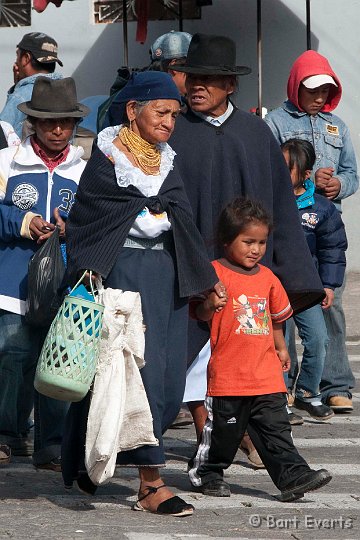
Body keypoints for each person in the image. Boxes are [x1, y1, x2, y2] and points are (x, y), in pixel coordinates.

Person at [61, 71, 220, 517]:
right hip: (121, 277)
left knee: (167, 379)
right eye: (162, 111)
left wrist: (203, 278)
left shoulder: (167, 161)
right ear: (133, 111)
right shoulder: (106, 159)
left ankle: (90, 462)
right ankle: (152, 484)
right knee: (129, 377)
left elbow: (181, 217)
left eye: (175, 114)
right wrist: (148, 218)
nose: (170, 121)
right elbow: (94, 220)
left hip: (165, 280)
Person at [169, 34, 325, 464]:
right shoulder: (174, 130)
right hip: (190, 269)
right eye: (193, 77)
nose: (198, 86)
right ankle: (211, 445)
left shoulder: (255, 134)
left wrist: (293, 275)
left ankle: (247, 439)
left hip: (248, 278)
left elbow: (280, 208)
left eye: (210, 79)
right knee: (197, 363)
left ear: (230, 85)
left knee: (248, 361)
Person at [188, 196, 332, 501]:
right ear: (227, 241)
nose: (256, 250)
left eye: (262, 243)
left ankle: (293, 475)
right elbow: (198, 314)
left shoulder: (268, 278)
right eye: (248, 241)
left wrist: (282, 349)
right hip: (228, 376)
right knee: (224, 436)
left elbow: (275, 319)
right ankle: (207, 472)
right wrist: (211, 304)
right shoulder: (213, 274)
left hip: (264, 372)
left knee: (276, 429)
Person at [0, 77, 89, 467]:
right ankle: (8, 435)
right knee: (13, 360)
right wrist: (25, 221)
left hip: (63, 287)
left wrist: (71, 227)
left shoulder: (83, 172)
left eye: (66, 123)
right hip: (11, 284)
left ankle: (51, 444)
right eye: (49, 122)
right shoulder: (6, 163)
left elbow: (94, 221)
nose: (57, 130)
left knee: (57, 364)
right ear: (32, 122)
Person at [265, 50, 358, 413]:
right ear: (295, 88)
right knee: (282, 310)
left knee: (328, 306)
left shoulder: (338, 126)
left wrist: (339, 185)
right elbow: (269, 170)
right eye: (311, 90)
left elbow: (352, 173)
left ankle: (335, 384)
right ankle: (283, 383)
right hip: (289, 227)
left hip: (325, 226)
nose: (318, 98)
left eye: (325, 91)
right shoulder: (275, 122)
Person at [281, 139, 347, 421]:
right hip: (275, 289)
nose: (280, 172)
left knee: (319, 340)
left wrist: (329, 285)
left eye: (288, 168)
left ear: (306, 174)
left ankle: (308, 392)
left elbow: (333, 250)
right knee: (278, 344)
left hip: (308, 289)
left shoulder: (322, 208)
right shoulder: (267, 200)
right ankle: (280, 397)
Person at [97, 31, 192, 133]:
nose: (169, 124)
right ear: (174, 66)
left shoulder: (136, 89)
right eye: (192, 72)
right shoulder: (141, 97)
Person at [0, 32, 63, 138]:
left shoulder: (20, 96)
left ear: (26, 58)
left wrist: (18, 90)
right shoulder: (63, 91)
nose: (16, 61)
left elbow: (3, 133)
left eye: (17, 55)